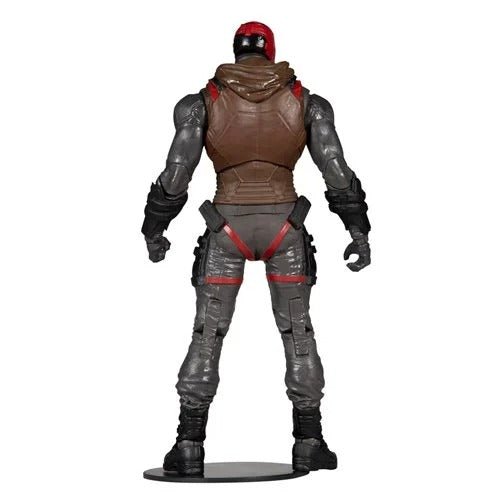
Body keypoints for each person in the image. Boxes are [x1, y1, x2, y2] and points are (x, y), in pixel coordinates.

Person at [141, 21, 371, 475]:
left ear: (236, 51)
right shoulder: (307, 103)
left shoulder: (201, 103)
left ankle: (188, 444)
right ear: (271, 51)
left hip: (226, 228)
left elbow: (176, 172)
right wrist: (358, 229)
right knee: (298, 333)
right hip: (286, 227)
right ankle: (309, 441)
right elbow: (335, 168)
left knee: (206, 335)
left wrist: (154, 227)